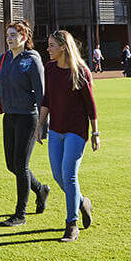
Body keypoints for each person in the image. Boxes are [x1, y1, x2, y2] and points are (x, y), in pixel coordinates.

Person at [0, 20, 50, 227]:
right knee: (11, 165)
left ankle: (20, 214)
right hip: (9, 116)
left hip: (28, 117)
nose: (10, 38)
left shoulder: (32, 59)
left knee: (21, 166)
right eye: (8, 35)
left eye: (14, 35)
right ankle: (40, 189)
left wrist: (43, 126)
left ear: (24, 37)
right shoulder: (2, 60)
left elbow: (42, 93)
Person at [36, 29, 100, 243]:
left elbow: (90, 105)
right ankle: (82, 202)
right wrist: (39, 126)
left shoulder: (80, 71)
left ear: (63, 46)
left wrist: (95, 132)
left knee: (69, 174)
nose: (48, 49)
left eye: (52, 45)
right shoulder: (50, 68)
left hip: (76, 131)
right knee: (58, 175)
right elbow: (47, 99)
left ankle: (71, 224)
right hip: (55, 130)